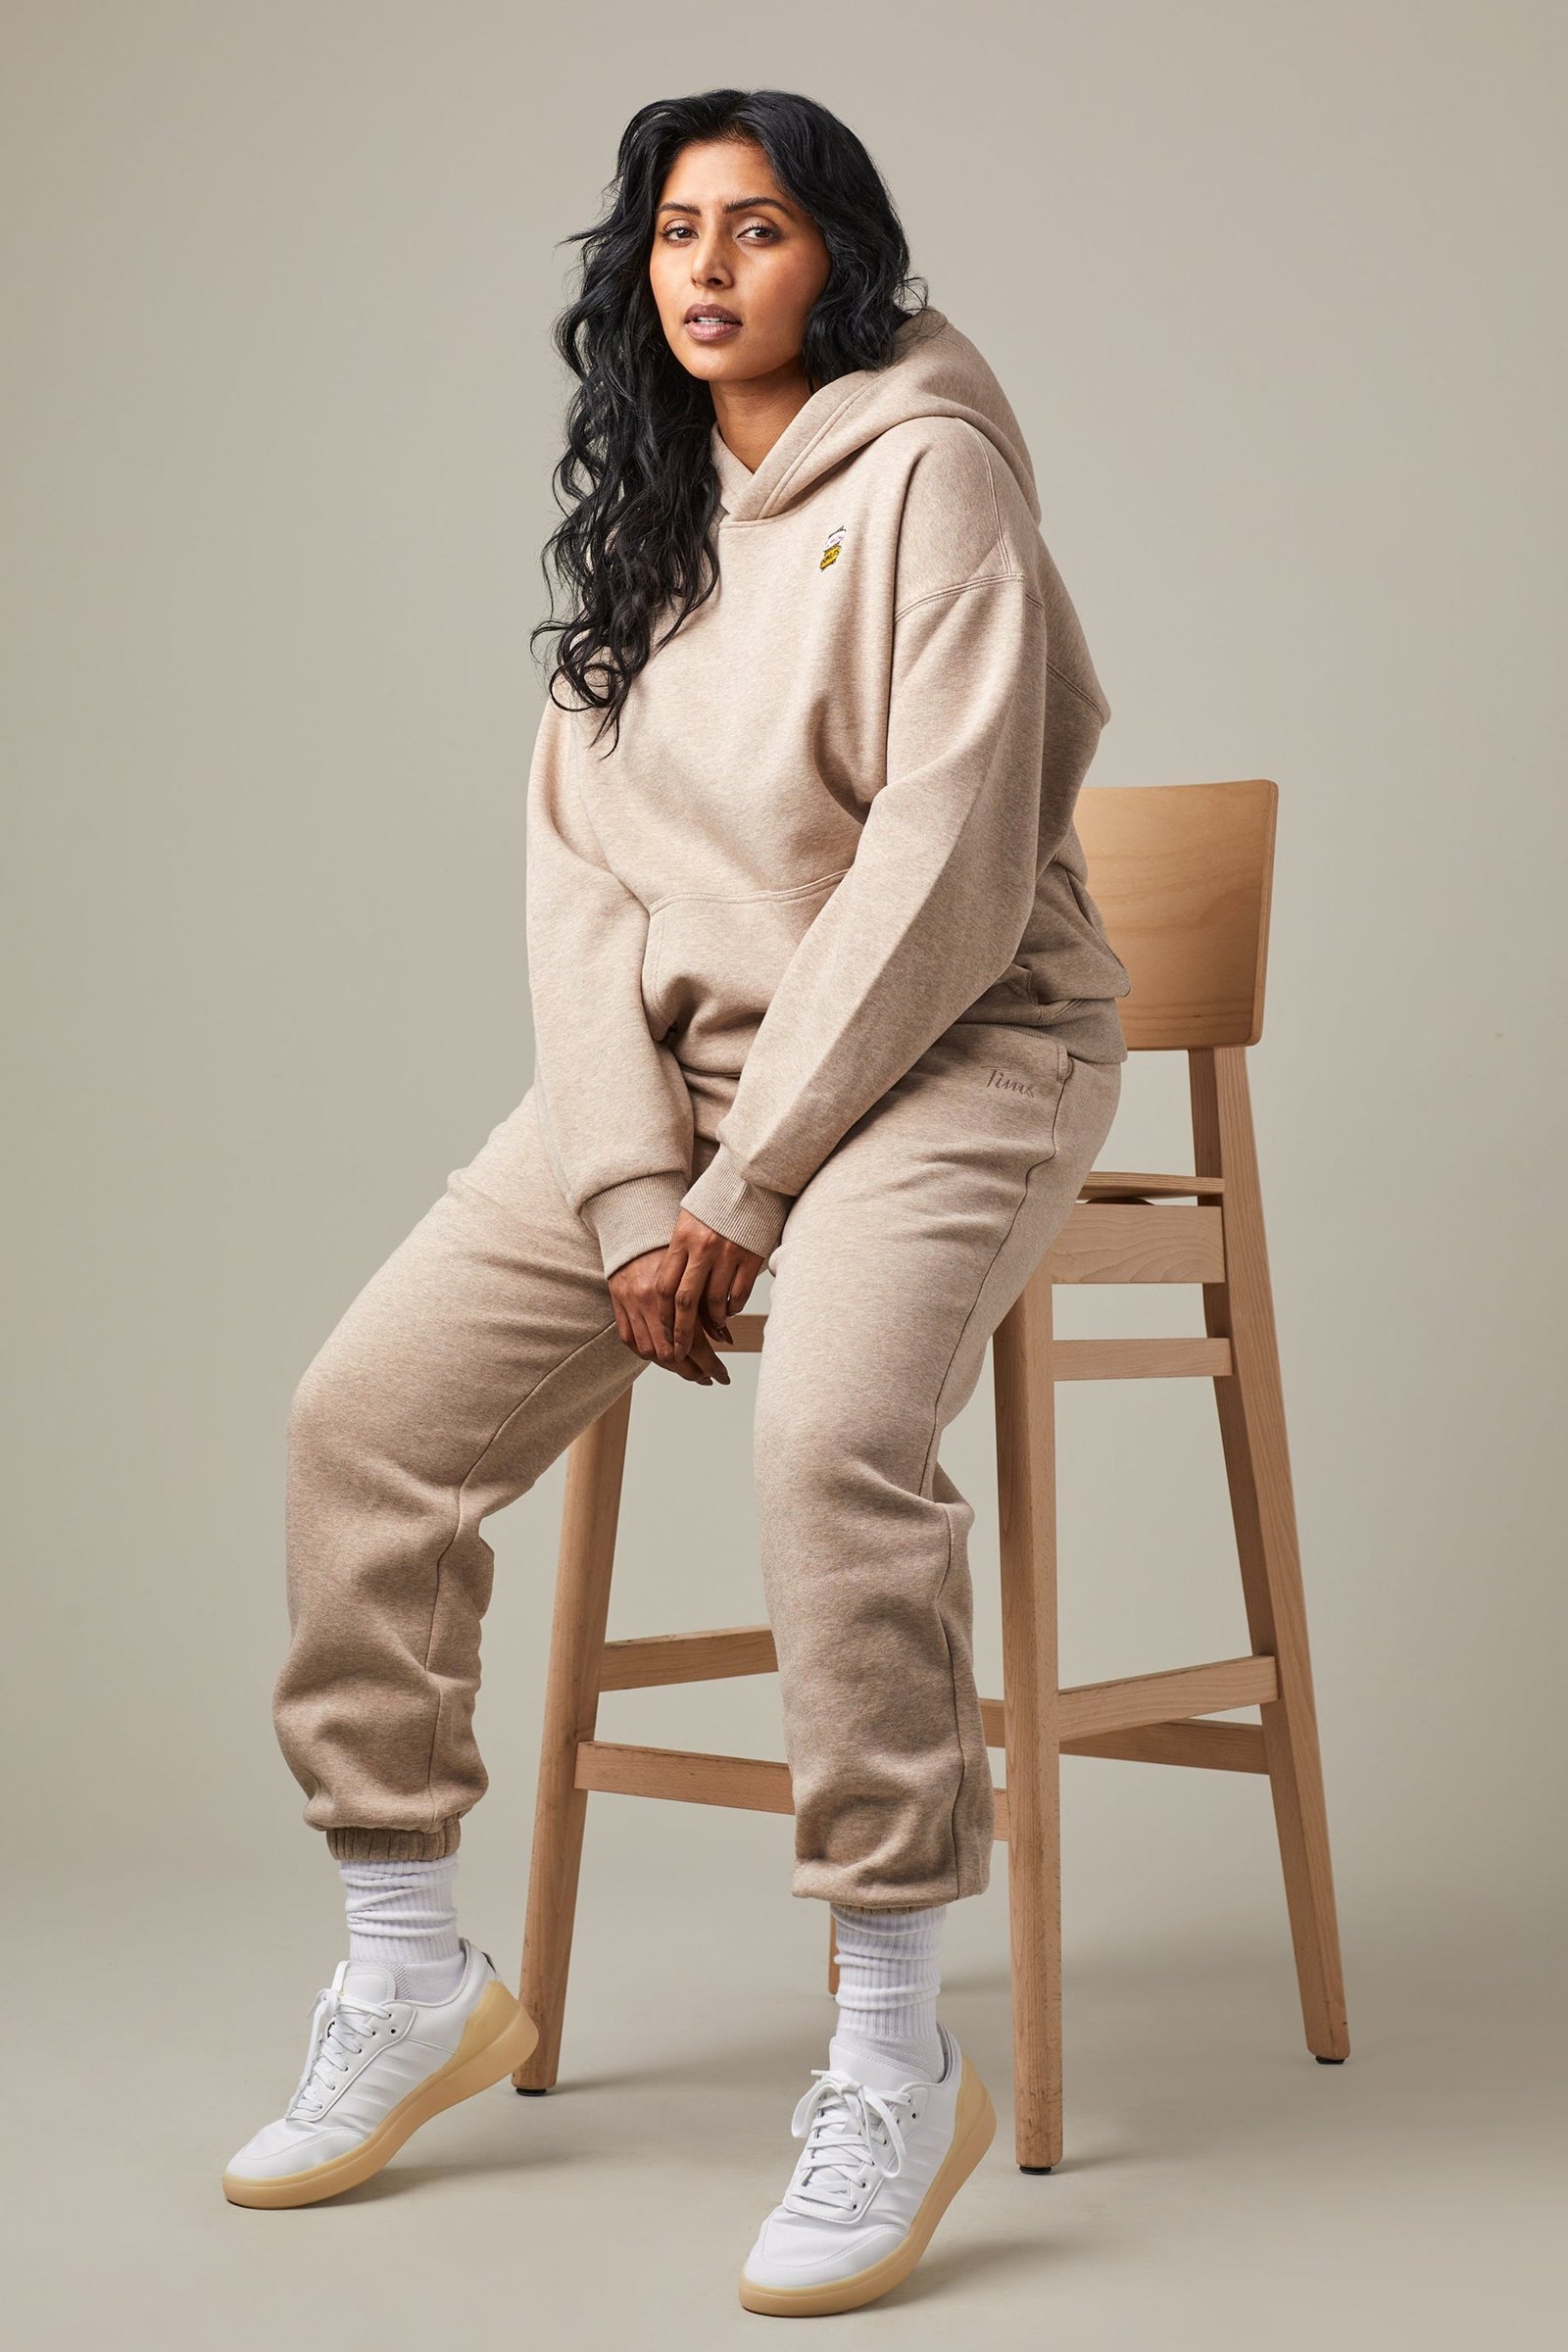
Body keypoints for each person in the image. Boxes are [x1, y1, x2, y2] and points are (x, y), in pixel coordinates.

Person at [221, 86, 1132, 2318]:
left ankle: (897, 2051)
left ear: (843, 257)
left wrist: (748, 1180)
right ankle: (411, 1972)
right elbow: (579, 890)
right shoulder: (645, 515)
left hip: (959, 1050)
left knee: (827, 1442)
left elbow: (940, 865)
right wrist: (642, 1185)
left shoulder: (932, 476)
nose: (710, 267)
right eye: (674, 233)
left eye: (761, 226)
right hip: (693, 1092)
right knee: (363, 1424)